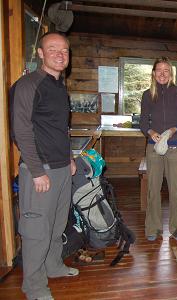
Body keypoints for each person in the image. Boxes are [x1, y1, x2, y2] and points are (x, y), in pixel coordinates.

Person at [11, 32, 78, 300]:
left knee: (57, 224)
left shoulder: (59, 86)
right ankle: (34, 287)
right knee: (37, 229)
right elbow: (21, 131)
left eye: (65, 50)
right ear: (40, 53)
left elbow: (60, 129)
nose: (60, 54)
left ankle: (53, 266)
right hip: (40, 171)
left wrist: (70, 157)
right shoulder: (28, 85)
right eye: (53, 49)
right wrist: (37, 171)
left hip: (62, 168)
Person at [139, 57, 177, 241]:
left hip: (175, 147)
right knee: (153, 188)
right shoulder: (147, 95)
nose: (162, 73)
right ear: (153, 73)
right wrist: (151, 132)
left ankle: (176, 227)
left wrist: (172, 130)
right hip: (154, 148)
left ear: (171, 73)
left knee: (175, 189)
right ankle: (153, 227)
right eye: (159, 70)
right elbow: (143, 121)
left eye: (166, 70)